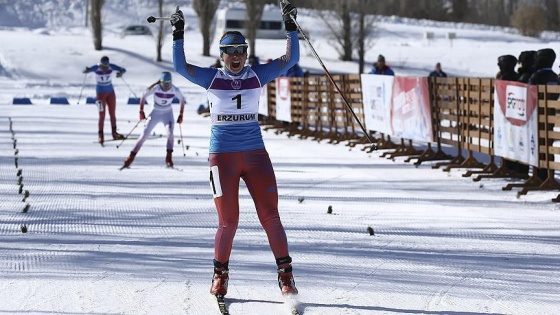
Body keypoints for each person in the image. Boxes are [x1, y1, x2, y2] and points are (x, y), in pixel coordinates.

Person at [171, 0, 299, 298]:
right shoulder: (211, 77)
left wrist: (290, 25)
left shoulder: (257, 75)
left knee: (271, 216)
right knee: (228, 222)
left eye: (241, 51)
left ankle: (286, 277)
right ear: (222, 55)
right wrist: (179, 32)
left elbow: (290, 60)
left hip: (256, 155)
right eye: (230, 52)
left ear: (247, 53)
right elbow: (179, 66)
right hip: (222, 158)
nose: (236, 57)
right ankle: (220, 276)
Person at [121, 72, 186, 169]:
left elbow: (182, 100)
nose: (167, 85)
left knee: (170, 134)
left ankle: (169, 159)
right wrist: (141, 111)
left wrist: (181, 114)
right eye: (164, 83)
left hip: (167, 113)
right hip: (155, 112)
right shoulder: (156, 88)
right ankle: (130, 158)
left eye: (168, 83)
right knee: (144, 135)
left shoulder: (174, 89)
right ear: (161, 82)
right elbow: (143, 96)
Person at [528, 48, 559, 181]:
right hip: (550, 114)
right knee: (548, 142)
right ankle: (549, 173)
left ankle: (541, 174)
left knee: (538, 143)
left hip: (536, 115)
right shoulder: (554, 76)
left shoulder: (536, 76)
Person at [83, 56, 127, 145]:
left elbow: (123, 69)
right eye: (104, 65)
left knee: (112, 114)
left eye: (107, 64)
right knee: (102, 115)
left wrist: (120, 73)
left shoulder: (111, 66)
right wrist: (86, 69)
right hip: (100, 94)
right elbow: (84, 71)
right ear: (101, 63)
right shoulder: (96, 67)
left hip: (111, 93)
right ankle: (101, 135)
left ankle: (114, 133)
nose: (105, 67)